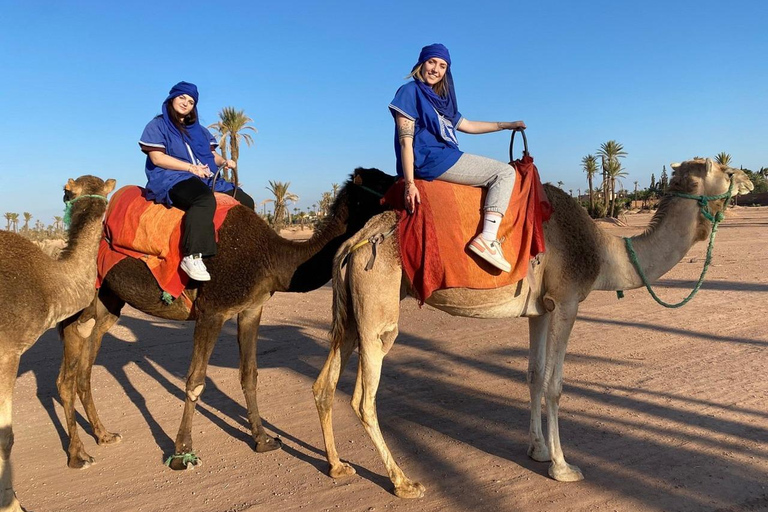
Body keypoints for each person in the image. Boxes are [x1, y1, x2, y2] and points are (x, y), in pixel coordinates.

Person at [389, 44, 525, 273]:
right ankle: (488, 239)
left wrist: (506, 125)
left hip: (443, 156)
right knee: (504, 172)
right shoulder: (409, 92)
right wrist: (410, 184)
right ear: (421, 63)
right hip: (432, 159)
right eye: (432, 62)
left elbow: (468, 125)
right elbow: (406, 141)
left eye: (442, 66)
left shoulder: (440, 100)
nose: (435, 69)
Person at [139, 81, 255, 282]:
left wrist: (225, 161)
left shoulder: (199, 131)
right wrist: (190, 168)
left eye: (191, 101)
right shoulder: (157, 126)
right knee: (203, 199)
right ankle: (192, 255)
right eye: (182, 97)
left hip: (206, 177)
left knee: (246, 201)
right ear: (172, 98)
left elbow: (212, 156)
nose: (186, 103)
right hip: (172, 178)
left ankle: (240, 250)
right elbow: (157, 158)